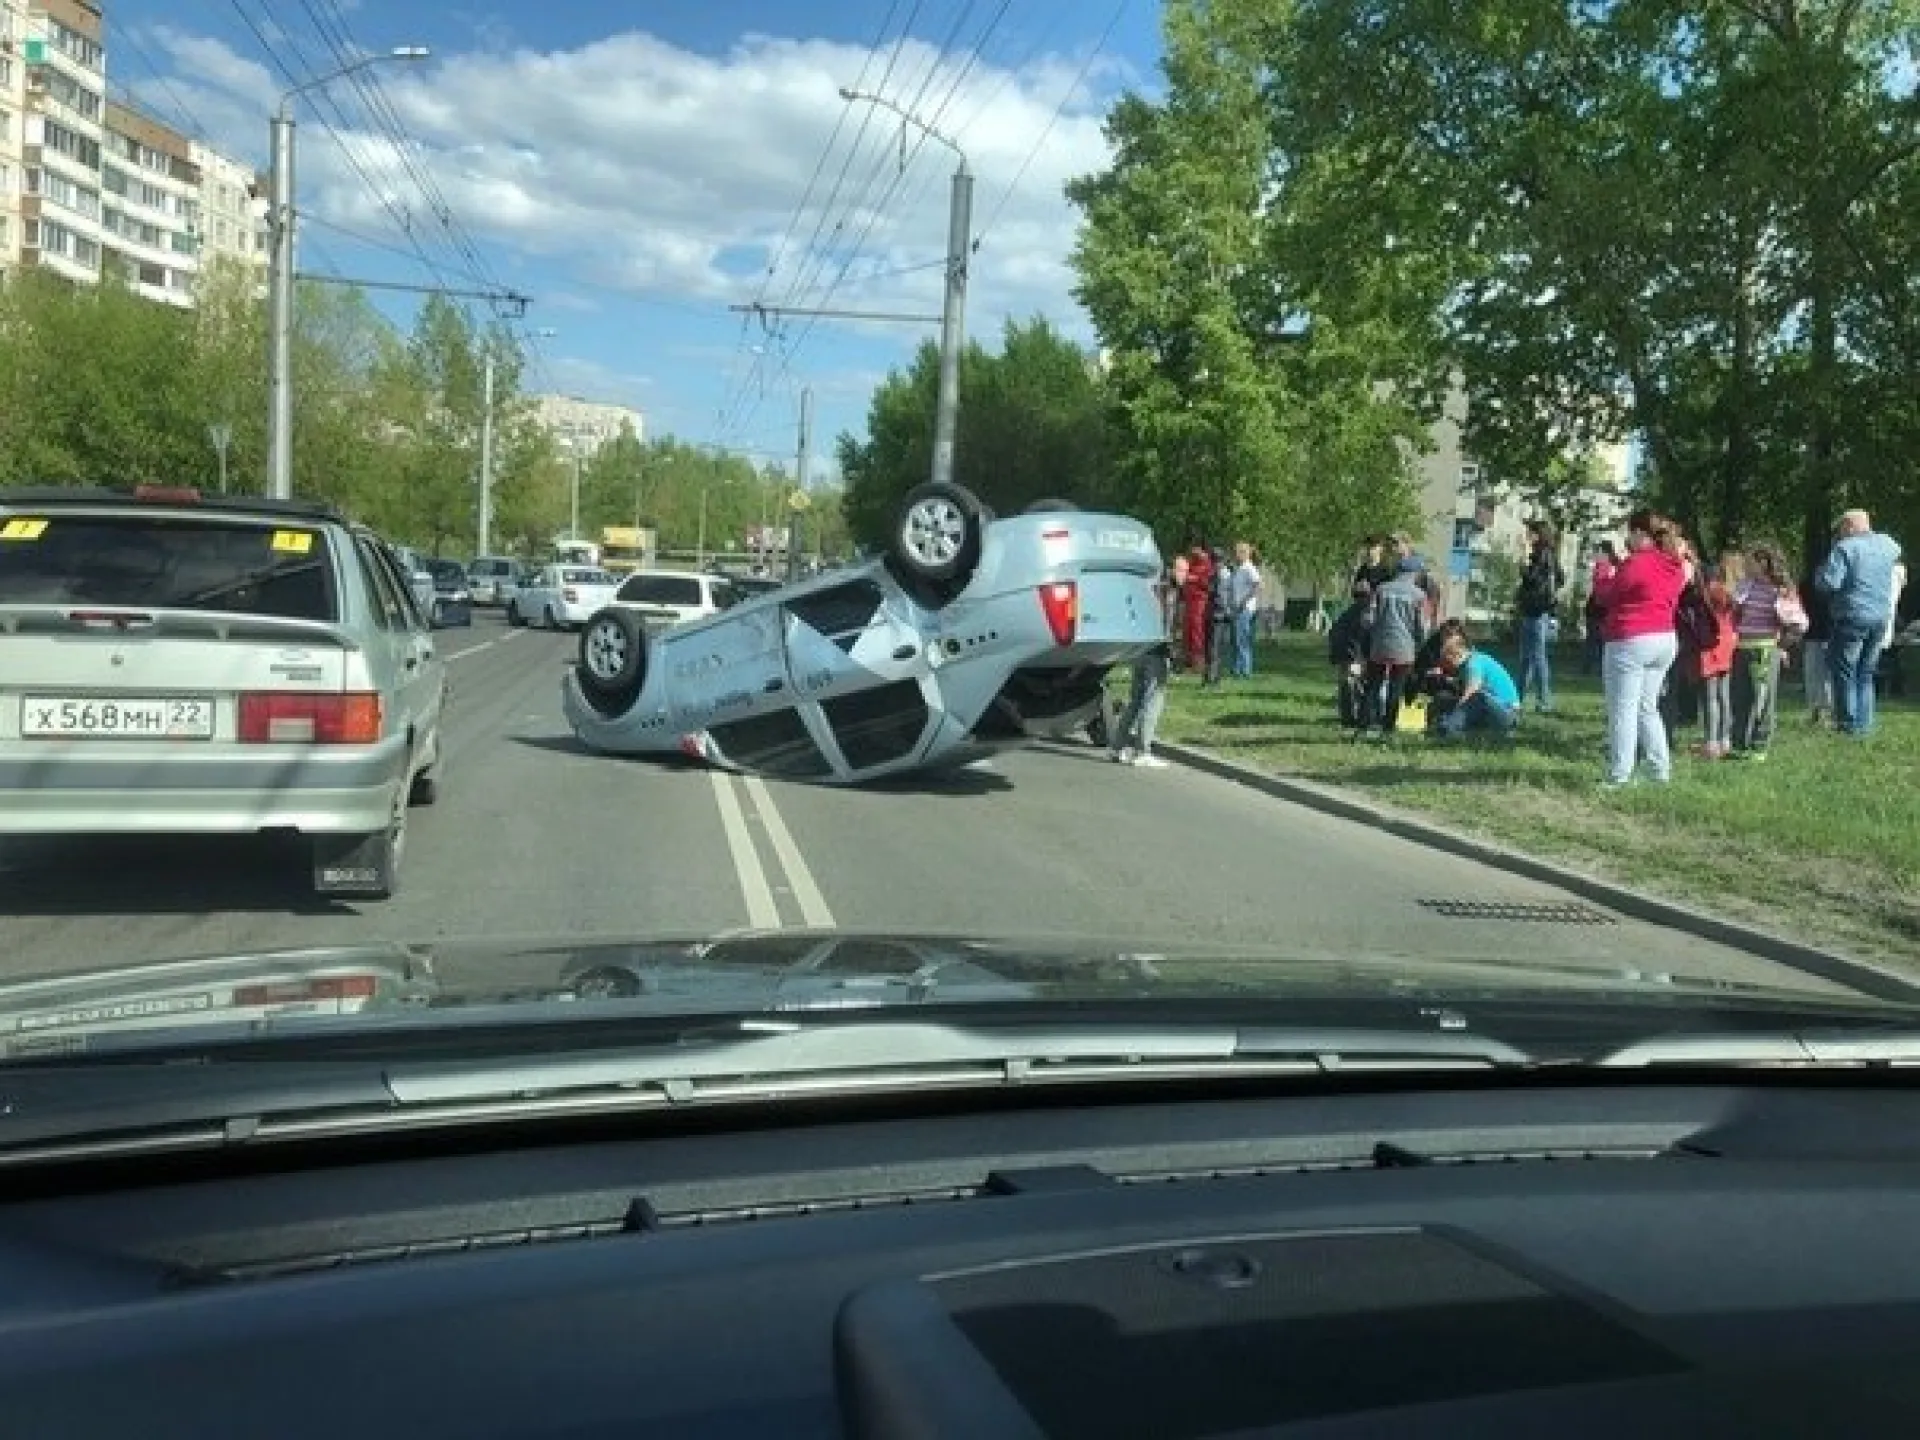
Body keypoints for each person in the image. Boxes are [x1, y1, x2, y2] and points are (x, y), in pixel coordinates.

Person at [1591, 509, 1690, 787]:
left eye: (1629, 533)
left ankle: (1619, 774)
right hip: (1664, 639)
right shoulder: (1672, 563)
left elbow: (1606, 596)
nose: (1627, 539)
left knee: (1622, 708)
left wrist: (1602, 569)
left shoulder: (1635, 563)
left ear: (1639, 533)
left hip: (1630, 640)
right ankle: (1659, 769)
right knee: (1647, 707)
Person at [1814, 509, 1904, 737]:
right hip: (1881, 616)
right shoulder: (1888, 544)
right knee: (1866, 672)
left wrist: (1820, 573)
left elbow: (1831, 583)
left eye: (1841, 528)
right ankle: (1866, 725)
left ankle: (1848, 724)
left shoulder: (1845, 548)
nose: (1840, 533)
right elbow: (1896, 555)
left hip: (1852, 615)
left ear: (1849, 526)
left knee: (1845, 671)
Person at [1110, 561, 1177, 770]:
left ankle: (1117, 746)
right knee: (1152, 702)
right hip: (1156, 653)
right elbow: (1166, 626)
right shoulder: (1166, 595)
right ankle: (1142, 751)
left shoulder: (1141, 592)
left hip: (1139, 651)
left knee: (1135, 701)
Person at [1363, 556, 1430, 738]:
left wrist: (1374, 634)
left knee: (1373, 685)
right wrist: (1419, 643)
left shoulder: (1381, 590)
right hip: (1404, 648)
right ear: (1414, 574)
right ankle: (1388, 727)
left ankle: (1366, 724)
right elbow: (1422, 627)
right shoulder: (1419, 595)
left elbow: (1367, 620)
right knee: (1396, 687)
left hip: (1379, 645)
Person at [1514, 519, 1564, 713]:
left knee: (1537, 656)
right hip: (1535, 610)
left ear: (1537, 534)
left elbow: (1532, 579)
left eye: (1530, 532)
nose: (1527, 535)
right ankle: (1518, 695)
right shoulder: (1548, 554)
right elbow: (1560, 578)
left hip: (1536, 610)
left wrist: (1523, 562)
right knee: (1527, 656)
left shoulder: (1541, 555)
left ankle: (1544, 700)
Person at [1434, 633, 1520, 739]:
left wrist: (1455, 711)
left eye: (1446, 661)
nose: (1445, 665)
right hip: (1496, 710)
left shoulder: (1473, 663)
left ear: (1455, 656)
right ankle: (1446, 723)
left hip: (1507, 712)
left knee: (1477, 697)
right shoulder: (1467, 664)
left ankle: (1449, 727)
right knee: (1444, 697)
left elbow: (1471, 691)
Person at [1327, 580, 1373, 731]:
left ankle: (1348, 717)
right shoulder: (1365, 614)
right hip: (1353, 655)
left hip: (1343, 655)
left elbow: (1334, 635)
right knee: (1354, 685)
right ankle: (1357, 717)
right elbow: (1363, 638)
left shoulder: (1347, 613)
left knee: (1346, 684)